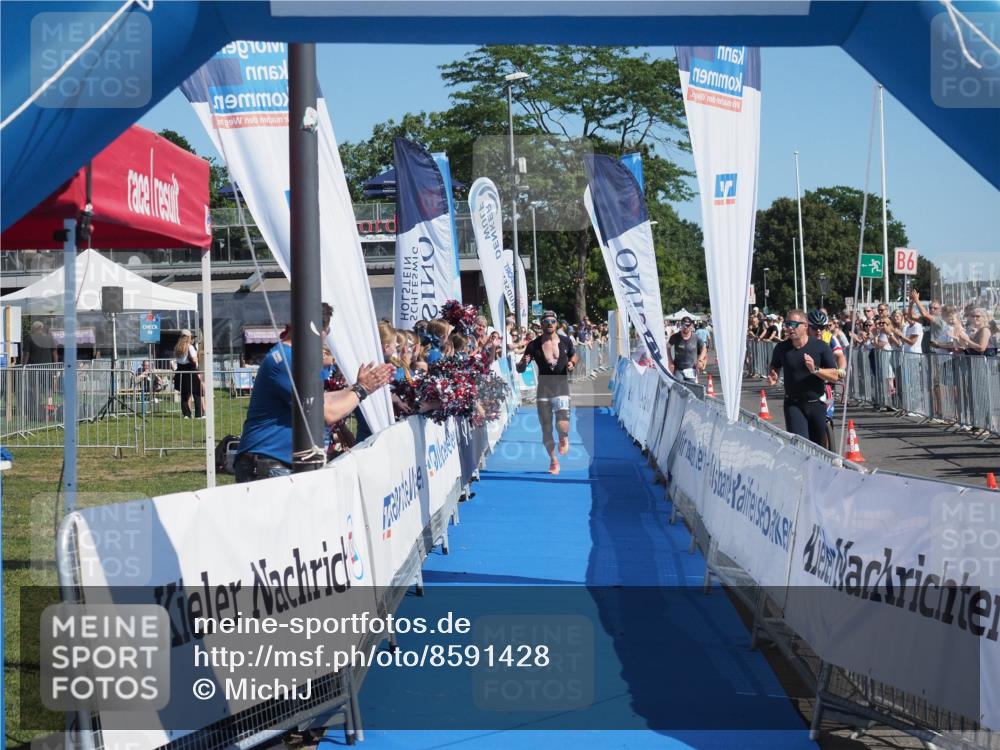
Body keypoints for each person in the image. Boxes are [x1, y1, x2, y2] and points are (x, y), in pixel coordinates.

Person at [235, 303, 394, 482]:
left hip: (276, 463)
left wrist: (357, 387)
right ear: (321, 331)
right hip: (271, 465)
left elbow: (319, 400)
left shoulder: (291, 358)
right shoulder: (289, 361)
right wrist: (362, 389)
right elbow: (325, 413)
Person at [768, 309, 843, 446]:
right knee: (801, 445)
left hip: (816, 403)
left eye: (794, 324)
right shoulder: (781, 348)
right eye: (787, 324)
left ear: (805, 326)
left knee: (818, 446)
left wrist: (815, 369)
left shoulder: (820, 347)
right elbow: (774, 366)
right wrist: (773, 373)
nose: (790, 327)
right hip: (793, 404)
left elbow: (835, 376)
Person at [516, 310, 577, 475]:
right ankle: (553, 461)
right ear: (542, 325)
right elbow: (520, 368)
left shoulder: (565, 341)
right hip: (544, 387)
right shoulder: (534, 345)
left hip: (561, 386)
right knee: (546, 427)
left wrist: (571, 363)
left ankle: (563, 436)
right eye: (546, 321)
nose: (550, 323)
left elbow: (574, 355)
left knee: (562, 423)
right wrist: (523, 362)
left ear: (556, 323)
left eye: (552, 321)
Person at [666, 315, 706, 383]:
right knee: (679, 388)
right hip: (678, 369)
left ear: (691, 326)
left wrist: (700, 360)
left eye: (688, 326)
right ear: (681, 325)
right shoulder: (675, 337)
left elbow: (704, 348)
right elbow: (667, 347)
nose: (686, 328)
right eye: (684, 325)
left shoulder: (695, 337)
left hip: (691, 369)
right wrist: (670, 361)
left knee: (692, 389)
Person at [174, 330, 203, 419]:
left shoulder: (177, 347)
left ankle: (186, 414)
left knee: (184, 394)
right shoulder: (190, 347)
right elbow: (194, 359)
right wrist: (197, 366)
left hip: (180, 371)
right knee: (197, 392)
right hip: (190, 371)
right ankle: (199, 414)